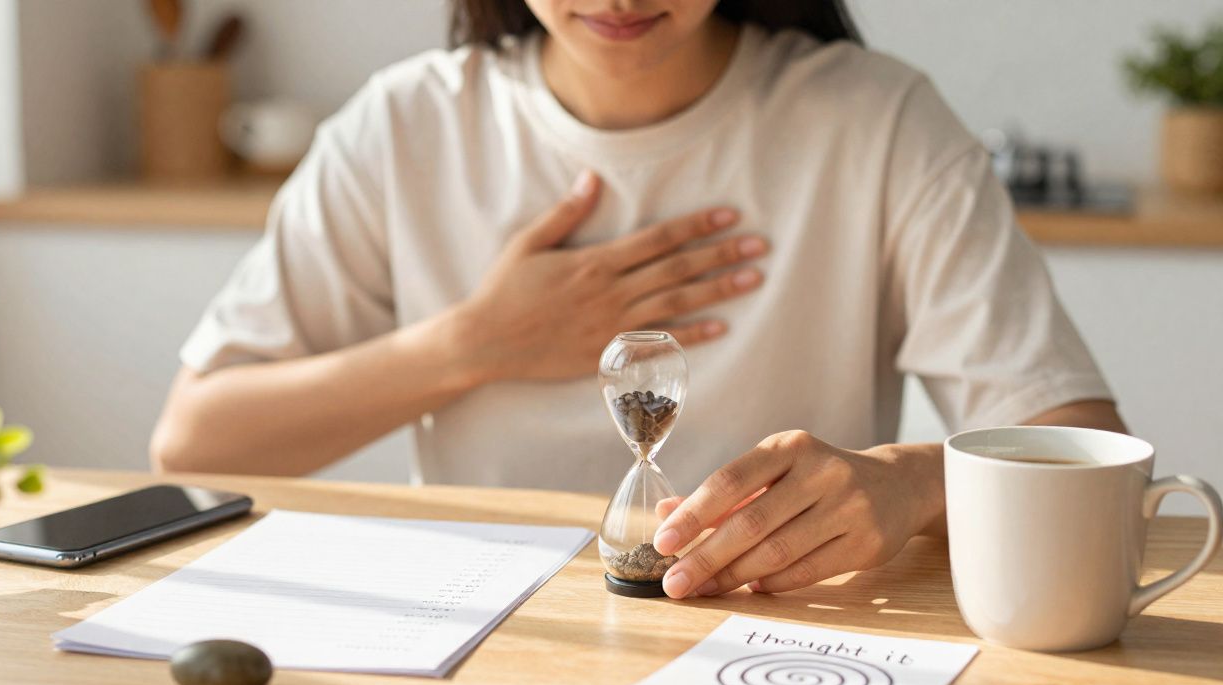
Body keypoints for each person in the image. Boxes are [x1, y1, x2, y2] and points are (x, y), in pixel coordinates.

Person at [151, 0, 1126, 600]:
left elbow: (1080, 445)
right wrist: (473, 343)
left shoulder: (875, 121)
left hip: (778, 646)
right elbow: (197, 440)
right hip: (474, 648)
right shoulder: (404, 127)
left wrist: (909, 483)